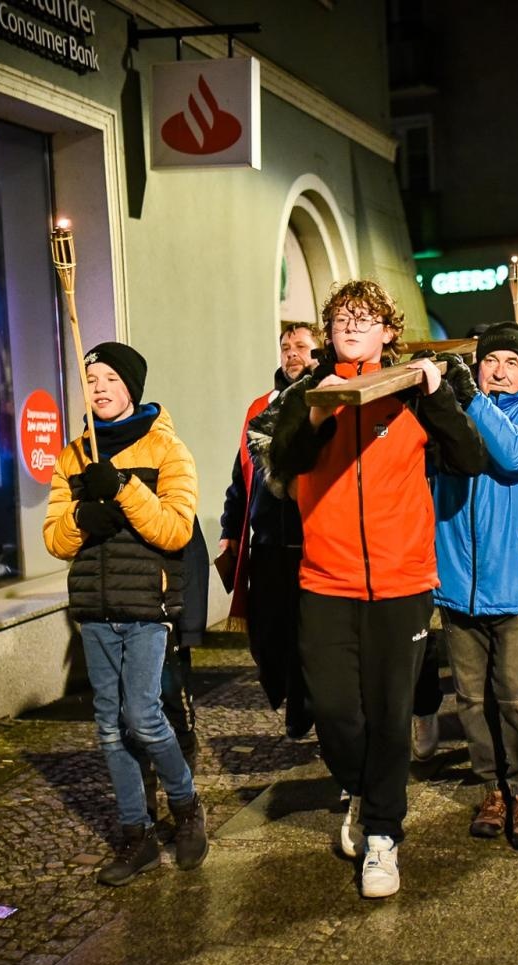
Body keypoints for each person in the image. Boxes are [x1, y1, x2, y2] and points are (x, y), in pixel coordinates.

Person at [261, 279, 485, 899]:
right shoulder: (309, 392)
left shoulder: (411, 392)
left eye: (365, 319)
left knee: (390, 714)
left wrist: (437, 395)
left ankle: (383, 832)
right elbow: (284, 464)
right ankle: (364, 789)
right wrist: (316, 413)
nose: (351, 327)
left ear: (388, 331)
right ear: (328, 334)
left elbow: (469, 457)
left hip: (402, 579)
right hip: (326, 581)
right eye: (340, 320)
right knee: (334, 712)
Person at [43, 342, 208, 887]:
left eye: (111, 378)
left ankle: (186, 808)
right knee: (110, 731)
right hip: (94, 610)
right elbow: (55, 539)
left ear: (131, 387)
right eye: (91, 380)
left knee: (144, 716)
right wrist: (86, 516)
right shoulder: (73, 456)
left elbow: (175, 528)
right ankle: (135, 834)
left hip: (144, 608)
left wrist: (121, 487)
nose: (100, 388)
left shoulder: (167, 449)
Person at [432, 323, 518, 848]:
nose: (501, 370)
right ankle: (491, 785)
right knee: (469, 697)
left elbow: (511, 455)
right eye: (492, 361)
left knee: (516, 697)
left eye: (513, 362)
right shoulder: (454, 416)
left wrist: (468, 397)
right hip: (461, 581)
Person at [220, 324, 317, 740]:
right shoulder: (262, 406)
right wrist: (230, 529)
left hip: (311, 541)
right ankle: (284, 689)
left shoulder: (323, 401)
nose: (292, 354)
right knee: (266, 637)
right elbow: (241, 475)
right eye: (286, 347)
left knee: (305, 632)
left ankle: (303, 704)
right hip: (266, 544)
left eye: (301, 346)